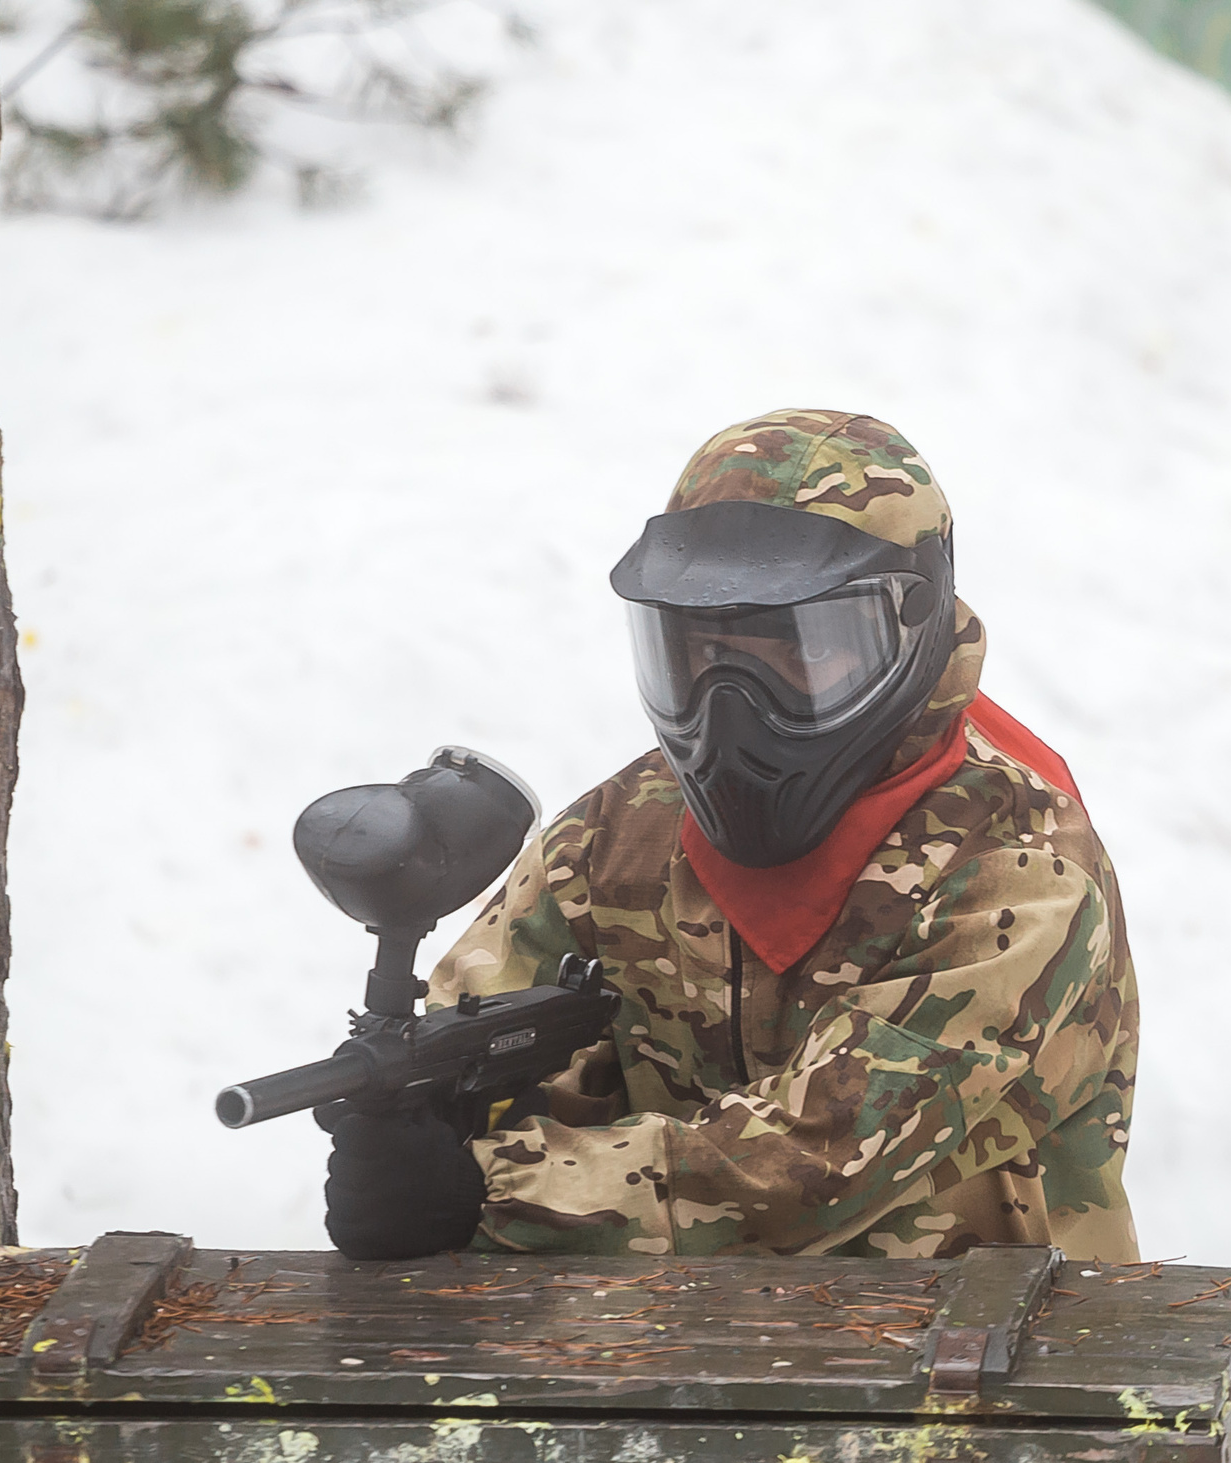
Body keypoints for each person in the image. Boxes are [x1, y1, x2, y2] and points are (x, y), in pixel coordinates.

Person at [322, 410, 1140, 1262]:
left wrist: (490, 1190)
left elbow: (818, 1158)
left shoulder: (1018, 865)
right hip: (672, 1364)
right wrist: (417, 1119)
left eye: (804, 654)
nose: (734, 708)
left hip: (1005, 1368)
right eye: (704, 652)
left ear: (911, 627)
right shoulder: (614, 837)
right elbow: (489, 1032)